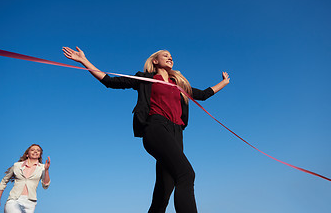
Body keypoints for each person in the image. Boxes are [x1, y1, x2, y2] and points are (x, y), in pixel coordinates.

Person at [62, 46, 230, 213]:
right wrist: (84, 61)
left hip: (177, 134)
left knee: (163, 193)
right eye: (165, 55)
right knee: (186, 174)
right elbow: (110, 81)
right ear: (155, 61)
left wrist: (223, 82)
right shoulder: (145, 79)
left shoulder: (178, 85)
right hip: (156, 128)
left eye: (171, 56)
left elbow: (203, 94)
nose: (170, 57)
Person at [0, 144, 51, 213]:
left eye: (38, 150)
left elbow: (45, 185)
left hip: (30, 203)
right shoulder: (17, 165)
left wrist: (46, 170)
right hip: (14, 200)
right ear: (27, 154)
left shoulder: (42, 168)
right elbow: (4, 181)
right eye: (32, 150)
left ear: (39, 155)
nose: (35, 151)